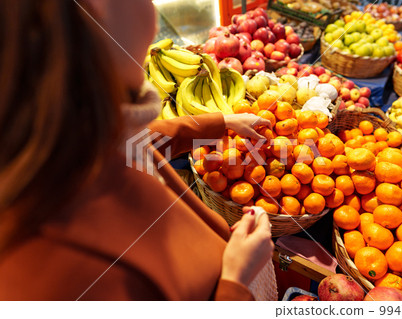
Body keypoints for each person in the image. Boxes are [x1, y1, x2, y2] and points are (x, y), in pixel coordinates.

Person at [0, 0, 274, 300]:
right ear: (98, 6)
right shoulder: (56, 267)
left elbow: (137, 141)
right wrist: (236, 281)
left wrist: (221, 122)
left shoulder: (82, 134)